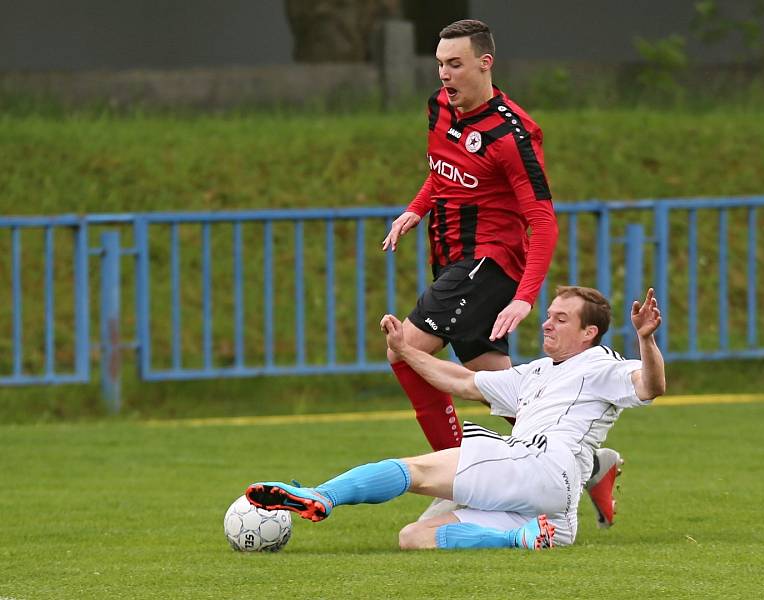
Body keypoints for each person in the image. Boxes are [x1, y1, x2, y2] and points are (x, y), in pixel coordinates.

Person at [379, 18, 621, 526]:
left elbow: (542, 220)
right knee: (501, 386)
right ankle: (593, 464)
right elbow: (439, 170)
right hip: (455, 261)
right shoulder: (439, 106)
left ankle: (464, 475)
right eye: (441, 64)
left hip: (488, 264)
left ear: (485, 63)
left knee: (405, 349)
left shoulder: (513, 133)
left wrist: (525, 297)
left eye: (456, 64)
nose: (445, 74)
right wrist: (416, 209)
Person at [245, 287, 666, 550]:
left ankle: (322, 497)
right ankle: (521, 537)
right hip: (553, 510)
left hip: (537, 467)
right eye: (549, 314)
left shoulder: (599, 363)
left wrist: (645, 340)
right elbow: (464, 381)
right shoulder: (536, 371)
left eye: (561, 318)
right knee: (414, 538)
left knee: (419, 470)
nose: (547, 323)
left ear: (589, 332)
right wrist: (408, 352)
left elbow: (650, 386)